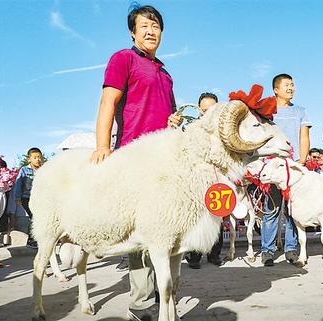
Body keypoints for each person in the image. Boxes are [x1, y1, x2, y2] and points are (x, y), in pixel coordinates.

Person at [90, 5, 181, 321]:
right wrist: (102, 146)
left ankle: (163, 296)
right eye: (144, 25)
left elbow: (166, 115)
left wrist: (173, 123)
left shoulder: (165, 72)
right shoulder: (123, 59)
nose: (151, 31)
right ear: (132, 31)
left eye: (156, 26)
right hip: (134, 157)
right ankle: (141, 303)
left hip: (165, 161)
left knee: (168, 229)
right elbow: (108, 102)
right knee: (144, 233)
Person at [261, 73, 311, 267]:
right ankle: (267, 250)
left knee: (292, 210)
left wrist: (303, 159)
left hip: (293, 168)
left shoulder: (300, 111)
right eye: (286, 85)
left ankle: (291, 249)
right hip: (272, 167)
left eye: (292, 85)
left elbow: (304, 136)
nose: (291, 88)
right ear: (276, 89)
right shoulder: (266, 111)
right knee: (271, 209)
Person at [185, 92, 223, 269]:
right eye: (205, 109)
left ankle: (214, 254)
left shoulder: (223, 128)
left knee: (217, 215)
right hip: (196, 178)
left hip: (217, 178)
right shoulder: (190, 127)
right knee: (195, 218)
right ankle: (194, 255)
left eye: (212, 109)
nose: (208, 112)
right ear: (199, 109)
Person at [13, 147, 43, 248]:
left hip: (40, 198)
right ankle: (32, 239)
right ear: (29, 159)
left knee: (39, 217)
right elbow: (18, 183)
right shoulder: (24, 170)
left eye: (39, 157)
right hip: (27, 197)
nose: (38, 159)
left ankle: (37, 237)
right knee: (34, 217)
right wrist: (17, 197)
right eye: (35, 157)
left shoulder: (43, 170)